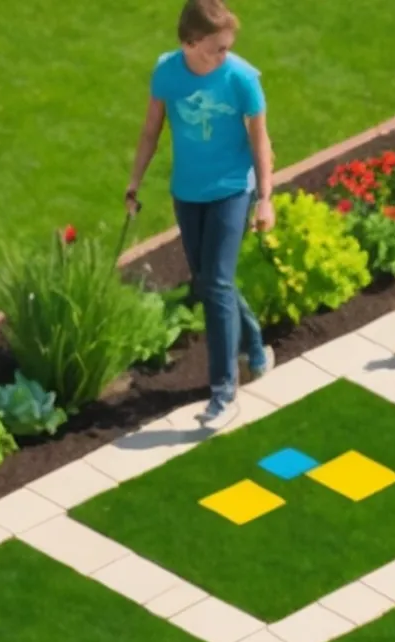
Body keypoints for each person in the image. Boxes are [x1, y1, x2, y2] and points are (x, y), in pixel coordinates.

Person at [127, 0, 275, 421]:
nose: (224, 54)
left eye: (228, 46)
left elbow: (261, 142)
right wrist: (134, 182)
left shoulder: (242, 79)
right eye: (217, 48)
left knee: (216, 284)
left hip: (232, 188)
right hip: (188, 191)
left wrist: (265, 198)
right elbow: (151, 130)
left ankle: (224, 391)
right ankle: (254, 348)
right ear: (189, 43)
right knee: (210, 281)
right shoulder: (167, 74)